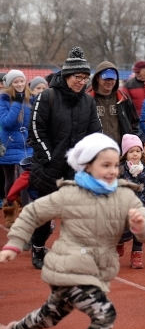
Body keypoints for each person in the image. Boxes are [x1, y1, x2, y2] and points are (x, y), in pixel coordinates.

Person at [0, 133, 145, 329]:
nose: (112, 170)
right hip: (68, 269)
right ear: (87, 166)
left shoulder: (124, 196)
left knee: (51, 315)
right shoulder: (70, 194)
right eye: (105, 165)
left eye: (114, 165)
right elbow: (32, 212)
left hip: (95, 271)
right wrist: (15, 243)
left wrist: (142, 227)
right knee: (104, 314)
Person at [27, 47, 102, 269]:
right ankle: (38, 248)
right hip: (49, 167)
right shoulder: (46, 97)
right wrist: (50, 158)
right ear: (67, 76)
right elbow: (36, 130)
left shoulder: (88, 102)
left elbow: (95, 132)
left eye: (85, 78)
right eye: (78, 77)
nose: (82, 82)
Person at [117, 134, 145, 269]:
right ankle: (119, 242)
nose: (135, 154)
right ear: (125, 154)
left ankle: (136, 254)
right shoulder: (119, 170)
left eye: (138, 151)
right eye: (131, 151)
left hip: (142, 204)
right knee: (123, 231)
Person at [87, 61, 140, 147]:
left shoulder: (124, 99)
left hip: (119, 151)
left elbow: (135, 123)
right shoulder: (87, 99)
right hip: (94, 151)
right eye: (106, 78)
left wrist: (133, 143)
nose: (109, 82)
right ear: (97, 78)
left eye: (112, 78)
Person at [0, 70, 33, 199]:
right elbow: (6, 123)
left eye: (22, 81)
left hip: (27, 144)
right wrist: (17, 104)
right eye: (16, 82)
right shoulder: (3, 100)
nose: (19, 84)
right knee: (10, 181)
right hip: (9, 143)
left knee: (25, 179)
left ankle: (26, 210)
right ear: (10, 84)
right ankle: (10, 209)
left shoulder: (30, 99)